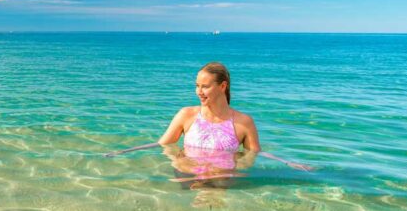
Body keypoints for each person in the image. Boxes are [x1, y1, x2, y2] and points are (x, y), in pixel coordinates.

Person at [106, 62, 311, 182]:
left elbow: (253, 153)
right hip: (186, 176)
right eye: (197, 86)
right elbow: (163, 144)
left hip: (221, 180)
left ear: (222, 86)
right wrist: (124, 151)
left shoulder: (243, 121)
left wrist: (287, 162)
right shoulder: (186, 115)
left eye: (205, 86)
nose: (198, 92)